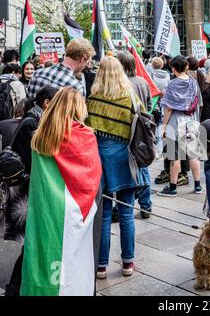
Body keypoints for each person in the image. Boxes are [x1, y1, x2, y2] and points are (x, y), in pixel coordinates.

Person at [20, 87, 102, 296]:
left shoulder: (40, 135)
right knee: (74, 257)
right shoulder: (85, 136)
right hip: (77, 208)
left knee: (43, 256)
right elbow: (93, 175)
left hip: (46, 209)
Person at [86, 57, 138, 279]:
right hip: (125, 159)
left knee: (104, 214)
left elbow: (87, 130)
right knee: (127, 213)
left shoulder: (92, 99)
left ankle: (101, 266)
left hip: (100, 160)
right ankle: (128, 263)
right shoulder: (130, 97)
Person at [4, 86, 59, 296]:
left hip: (26, 189)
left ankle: (16, 286)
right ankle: (14, 287)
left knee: (30, 243)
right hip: (25, 193)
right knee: (29, 243)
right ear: (46, 102)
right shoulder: (32, 123)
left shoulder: (35, 119)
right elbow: (33, 161)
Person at [157, 55, 202, 197]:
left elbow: (169, 109)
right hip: (190, 121)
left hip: (175, 122)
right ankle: (198, 185)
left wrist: (163, 126)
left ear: (174, 68)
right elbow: (199, 103)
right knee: (193, 155)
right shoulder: (193, 82)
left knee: (174, 156)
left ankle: (172, 188)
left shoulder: (172, 84)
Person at [117, 50, 154, 220]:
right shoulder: (142, 81)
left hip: (126, 131)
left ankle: (124, 205)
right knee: (142, 164)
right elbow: (149, 105)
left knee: (128, 168)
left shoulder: (120, 84)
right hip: (142, 131)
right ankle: (146, 205)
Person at [27, 38, 95, 98]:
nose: (85, 66)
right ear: (83, 59)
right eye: (87, 62)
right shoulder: (76, 87)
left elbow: (27, 105)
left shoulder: (37, 73)